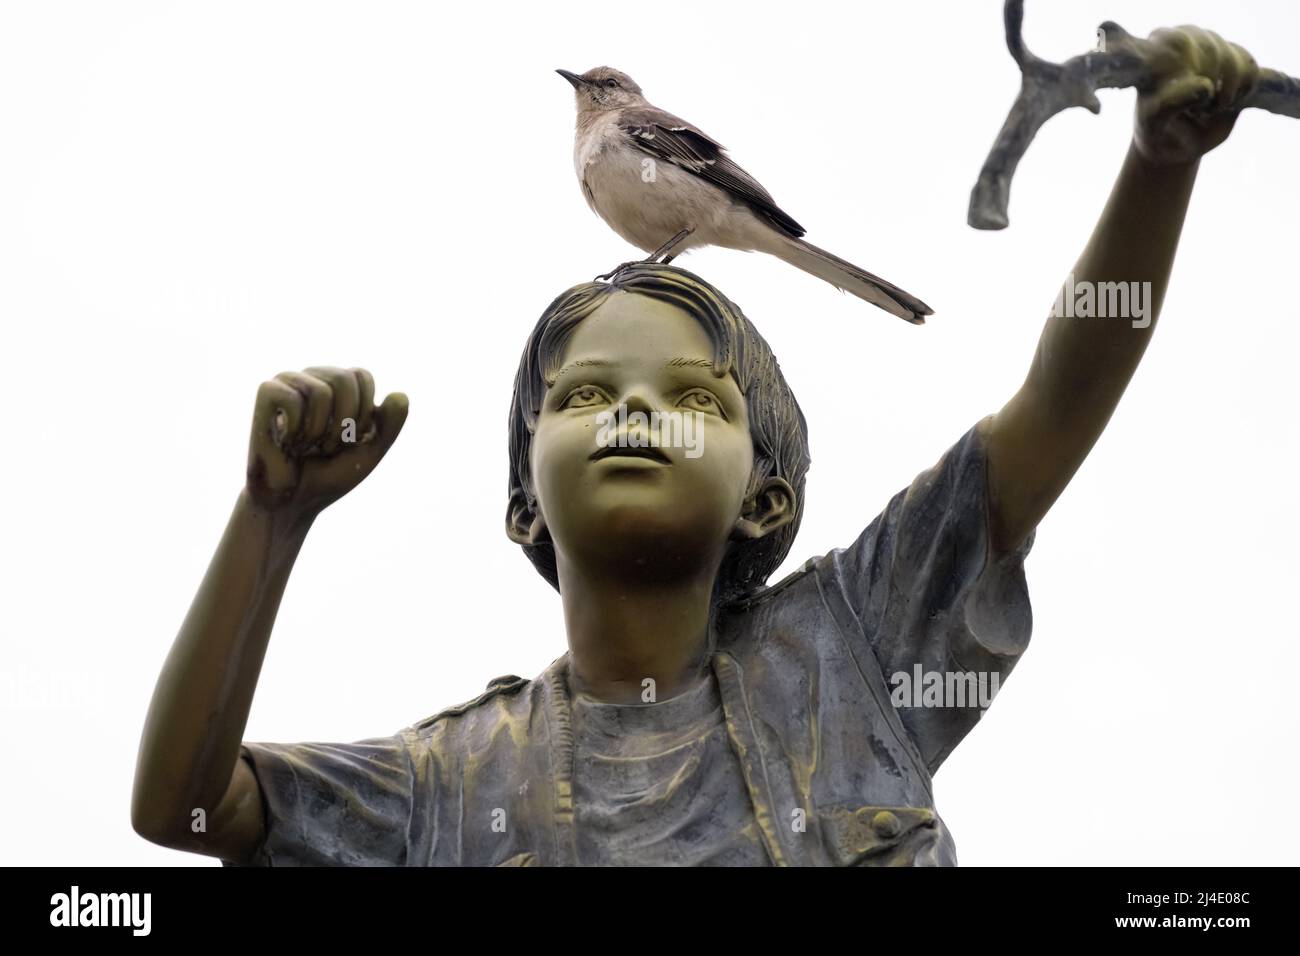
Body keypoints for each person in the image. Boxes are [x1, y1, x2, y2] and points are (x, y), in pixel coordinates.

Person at [131, 25, 1260, 866]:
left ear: (767, 497)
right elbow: (184, 807)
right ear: (522, 500)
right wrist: (267, 526)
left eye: (690, 395)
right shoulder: (456, 777)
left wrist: (1158, 171)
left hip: (717, 224)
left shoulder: (849, 663)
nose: (632, 412)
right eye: (582, 393)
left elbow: (1055, 408)